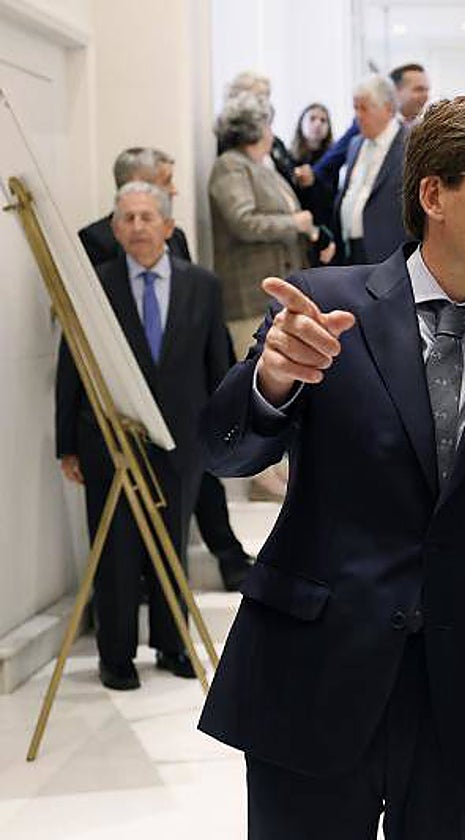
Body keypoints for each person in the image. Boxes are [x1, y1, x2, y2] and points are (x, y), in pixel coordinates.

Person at [198, 95, 465, 840]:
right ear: (434, 194)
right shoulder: (323, 306)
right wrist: (272, 382)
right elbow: (226, 452)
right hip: (315, 677)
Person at [56, 182, 229, 690]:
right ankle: (116, 655)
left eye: (146, 217)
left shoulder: (203, 285)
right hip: (109, 438)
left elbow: (216, 364)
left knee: (172, 540)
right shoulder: (95, 287)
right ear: (114, 229)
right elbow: (73, 366)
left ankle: (173, 645)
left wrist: (225, 434)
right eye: (126, 218)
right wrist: (66, 442)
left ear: (168, 227)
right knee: (114, 547)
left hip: (182, 438)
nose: (136, 227)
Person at [79, 147, 253, 591]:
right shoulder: (98, 250)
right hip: (126, 414)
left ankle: (210, 575)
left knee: (193, 488)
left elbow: (196, 324)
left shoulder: (179, 253)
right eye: (165, 180)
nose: (173, 189)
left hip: (183, 404)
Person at [209, 91, 332, 361]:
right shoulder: (231, 166)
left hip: (277, 294)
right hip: (250, 297)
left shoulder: (261, 167)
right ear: (252, 130)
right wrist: (295, 223)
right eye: (268, 125)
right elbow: (244, 222)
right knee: (256, 374)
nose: (271, 134)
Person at [333, 74, 411, 265]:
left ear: (388, 109)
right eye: (355, 108)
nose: (358, 115)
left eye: (364, 108)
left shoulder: (410, 143)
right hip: (351, 250)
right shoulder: (355, 144)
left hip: (389, 252)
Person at [312, 63, 431, 188]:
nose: (426, 96)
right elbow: (336, 155)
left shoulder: (423, 131)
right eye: (419, 89)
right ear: (395, 91)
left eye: (427, 90)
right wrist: (313, 174)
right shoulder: (365, 122)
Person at [290, 103, 337, 232]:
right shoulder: (289, 158)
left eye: (323, 120)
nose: (318, 124)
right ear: (301, 123)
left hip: (326, 226)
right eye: (312, 119)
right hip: (298, 226)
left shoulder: (333, 159)